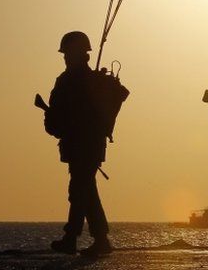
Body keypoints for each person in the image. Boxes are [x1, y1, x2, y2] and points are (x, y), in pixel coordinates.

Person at [45, 31, 129, 257]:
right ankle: (99, 239)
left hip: (82, 143)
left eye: (66, 53)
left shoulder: (70, 80)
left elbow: (57, 114)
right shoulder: (92, 80)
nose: (64, 58)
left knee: (79, 190)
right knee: (86, 191)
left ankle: (72, 238)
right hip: (89, 144)